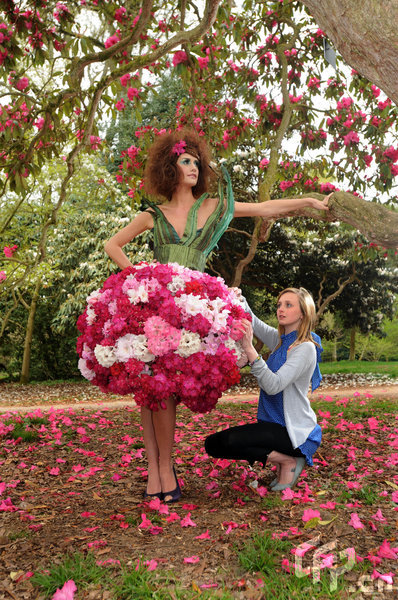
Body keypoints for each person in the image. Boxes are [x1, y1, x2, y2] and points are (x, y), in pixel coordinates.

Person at [104, 128, 329, 502]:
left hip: (191, 312)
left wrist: (306, 200)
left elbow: (263, 209)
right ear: (169, 168)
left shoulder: (210, 205)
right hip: (155, 309)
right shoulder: (152, 215)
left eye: (196, 162)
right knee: (148, 391)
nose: (194, 167)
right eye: (185, 161)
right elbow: (112, 245)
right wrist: (138, 281)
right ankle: (156, 470)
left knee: (166, 392)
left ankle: (164, 470)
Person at [205, 287, 323, 491]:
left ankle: (289, 461)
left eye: (288, 305)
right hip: (273, 426)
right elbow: (254, 322)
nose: (281, 309)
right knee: (213, 444)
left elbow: (273, 386)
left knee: (231, 440)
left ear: (303, 313)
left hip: (294, 431)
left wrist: (250, 350)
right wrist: (238, 298)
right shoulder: (280, 341)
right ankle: (284, 459)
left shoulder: (305, 348)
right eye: (279, 305)